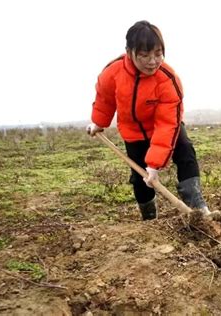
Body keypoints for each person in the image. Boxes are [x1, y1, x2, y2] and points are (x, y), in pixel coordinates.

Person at [87, 20, 210, 220]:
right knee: (139, 178)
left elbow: (167, 124)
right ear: (129, 51)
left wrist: (154, 163)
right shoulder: (113, 73)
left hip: (165, 128)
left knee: (186, 150)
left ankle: (197, 208)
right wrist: (98, 122)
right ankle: (149, 217)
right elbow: (105, 100)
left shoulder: (167, 80)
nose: (152, 61)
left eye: (158, 54)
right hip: (133, 132)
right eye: (144, 55)